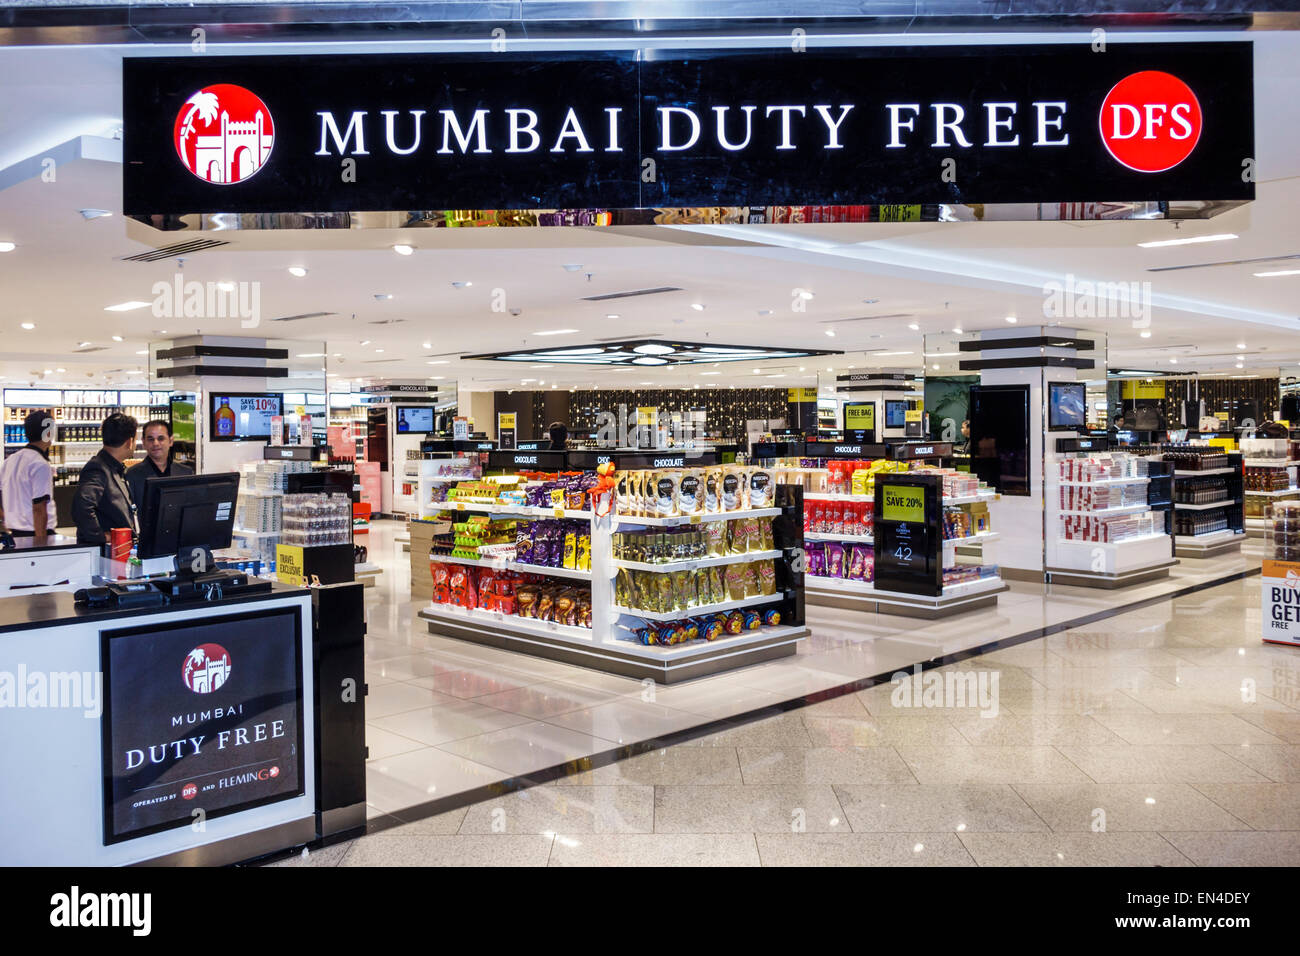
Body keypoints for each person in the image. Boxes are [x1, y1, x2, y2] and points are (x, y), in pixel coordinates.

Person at [72, 412, 139, 547]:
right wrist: (100, 536)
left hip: (117, 551)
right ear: (129, 442)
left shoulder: (113, 467)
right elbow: (81, 507)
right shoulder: (98, 468)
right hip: (105, 556)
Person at [0, 409, 57, 546]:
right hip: (36, 534)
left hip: (15, 533)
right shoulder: (40, 464)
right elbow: (39, 507)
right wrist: (41, 543)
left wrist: (5, 518)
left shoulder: (10, 461)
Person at [126, 419, 193, 507]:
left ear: (171, 441)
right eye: (150, 439)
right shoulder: (131, 475)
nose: (155, 443)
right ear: (143, 442)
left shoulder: (186, 473)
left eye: (161, 438)